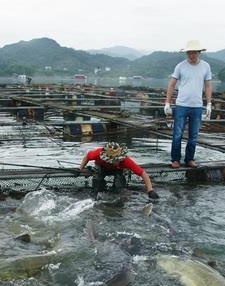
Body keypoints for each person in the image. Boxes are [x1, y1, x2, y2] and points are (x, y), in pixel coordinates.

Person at [164, 40, 213, 169]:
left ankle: (189, 159)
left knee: (193, 135)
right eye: (189, 53)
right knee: (177, 134)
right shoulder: (180, 66)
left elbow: (208, 85)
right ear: (187, 53)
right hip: (182, 105)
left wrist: (208, 104)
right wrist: (167, 103)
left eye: (194, 53)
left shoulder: (206, 66)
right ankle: (175, 159)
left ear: (199, 53)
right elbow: (172, 85)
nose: (191, 55)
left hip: (197, 106)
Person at [78, 142, 159, 199]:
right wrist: (80, 168)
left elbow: (143, 174)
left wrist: (150, 191)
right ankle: (98, 191)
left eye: (117, 160)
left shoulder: (126, 161)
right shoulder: (98, 154)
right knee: (97, 180)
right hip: (101, 166)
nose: (115, 162)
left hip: (118, 170)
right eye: (113, 160)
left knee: (119, 185)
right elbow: (87, 157)